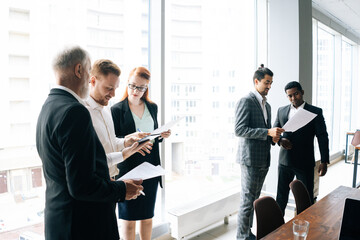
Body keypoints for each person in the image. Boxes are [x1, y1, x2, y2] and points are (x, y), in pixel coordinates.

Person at [36, 46, 144, 240]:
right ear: (79, 70)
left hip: (59, 220)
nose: (89, 77)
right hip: (83, 223)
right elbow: (81, 185)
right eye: (87, 71)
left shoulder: (49, 106)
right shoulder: (75, 112)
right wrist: (121, 189)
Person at [111, 67, 171, 240]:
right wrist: (135, 143)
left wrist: (161, 135)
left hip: (151, 167)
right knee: (128, 219)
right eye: (133, 86)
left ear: (147, 88)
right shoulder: (116, 110)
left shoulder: (152, 107)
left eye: (141, 87)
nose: (136, 91)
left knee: (147, 216)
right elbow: (114, 140)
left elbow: (153, 134)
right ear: (127, 84)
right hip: (129, 168)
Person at [235, 65, 284, 240]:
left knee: (254, 200)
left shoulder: (267, 106)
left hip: (263, 159)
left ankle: (248, 233)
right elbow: (239, 130)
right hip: (250, 159)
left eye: (271, 83)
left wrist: (273, 137)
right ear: (256, 81)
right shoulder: (246, 101)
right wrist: (267, 133)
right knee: (247, 202)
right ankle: (242, 237)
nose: (269, 86)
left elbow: (265, 132)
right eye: (266, 82)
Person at [85, 59, 153, 179]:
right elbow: (89, 159)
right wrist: (122, 155)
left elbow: (111, 143)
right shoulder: (82, 113)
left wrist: (126, 141)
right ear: (93, 81)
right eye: (109, 88)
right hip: (94, 181)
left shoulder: (106, 110)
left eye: (115, 89)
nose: (113, 94)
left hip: (111, 179)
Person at [274, 81, 329, 215]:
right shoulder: (281, 110)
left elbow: (322, 136)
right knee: (281, 198)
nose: (294, 98)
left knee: (306, 199)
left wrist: (324, 161)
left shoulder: (315, 112)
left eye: (296, 94)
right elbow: (274, 132)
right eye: (290, 96)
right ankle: (276, 229)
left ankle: (305, 227)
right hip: (284, 162)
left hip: (305, 162)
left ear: (302, 92)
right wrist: (281, 140)